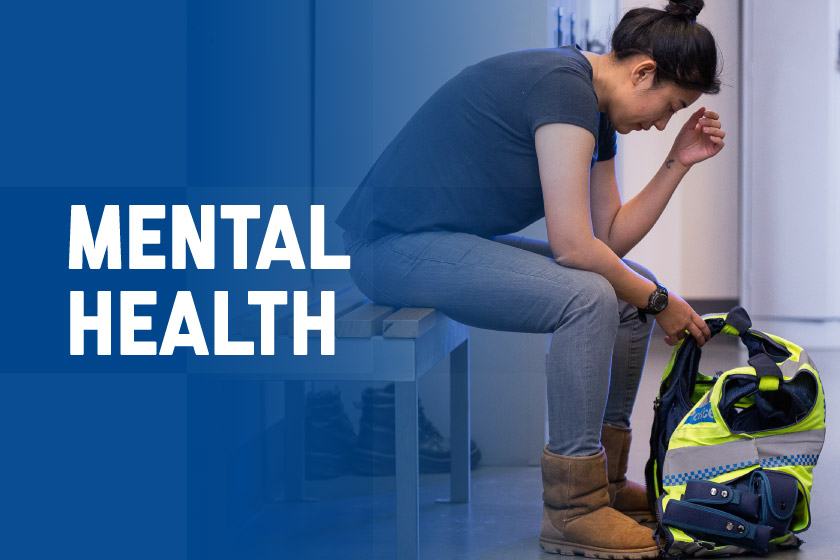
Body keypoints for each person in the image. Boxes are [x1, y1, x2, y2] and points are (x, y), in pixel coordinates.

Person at [336, 0, 723, 557]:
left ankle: (603, 483)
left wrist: (676, 163)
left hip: (441, 241)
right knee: (590, 296)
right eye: (669, 107)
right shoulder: (563, 88)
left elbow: (608, 238)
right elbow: (574, 248)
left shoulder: (594, 108)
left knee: (626, 290)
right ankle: (572, 509)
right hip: (388, 249)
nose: (662, 124)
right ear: (643, 72)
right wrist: (663, 302)